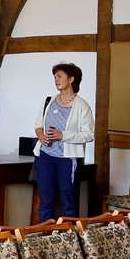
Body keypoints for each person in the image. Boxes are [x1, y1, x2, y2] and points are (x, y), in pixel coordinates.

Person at [32, 62, 94, 222]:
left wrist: (63, 135)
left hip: (67, 161)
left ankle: (69, 241)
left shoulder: (82, 106)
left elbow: (89, 135)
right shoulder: (49, 100)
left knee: (69, 203)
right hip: (45, 157)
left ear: (71, 79)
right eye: (54, 77)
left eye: (59, 76)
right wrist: (40, 134)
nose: (56, 80)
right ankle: (43, 239)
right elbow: (38, 124)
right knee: (45, 202)